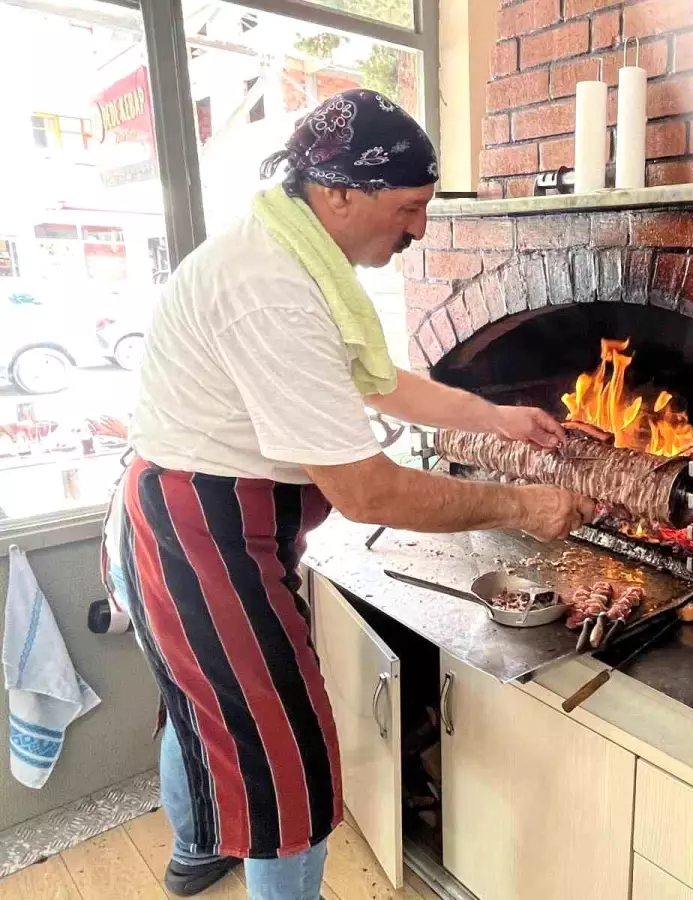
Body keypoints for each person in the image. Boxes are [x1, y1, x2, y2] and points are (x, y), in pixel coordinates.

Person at [103, 89, 593, 900]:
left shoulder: (298, 255)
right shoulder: (271, 289)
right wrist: (523, 506)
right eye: (408, 208)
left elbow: (380, 381)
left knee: (200, 699)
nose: (419, 231)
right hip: (198, 532)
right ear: (339, 194)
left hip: (198, 513)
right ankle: (235, 858)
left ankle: (197, 850)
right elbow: (368, 492)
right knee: (285, 756)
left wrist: (496, 419)